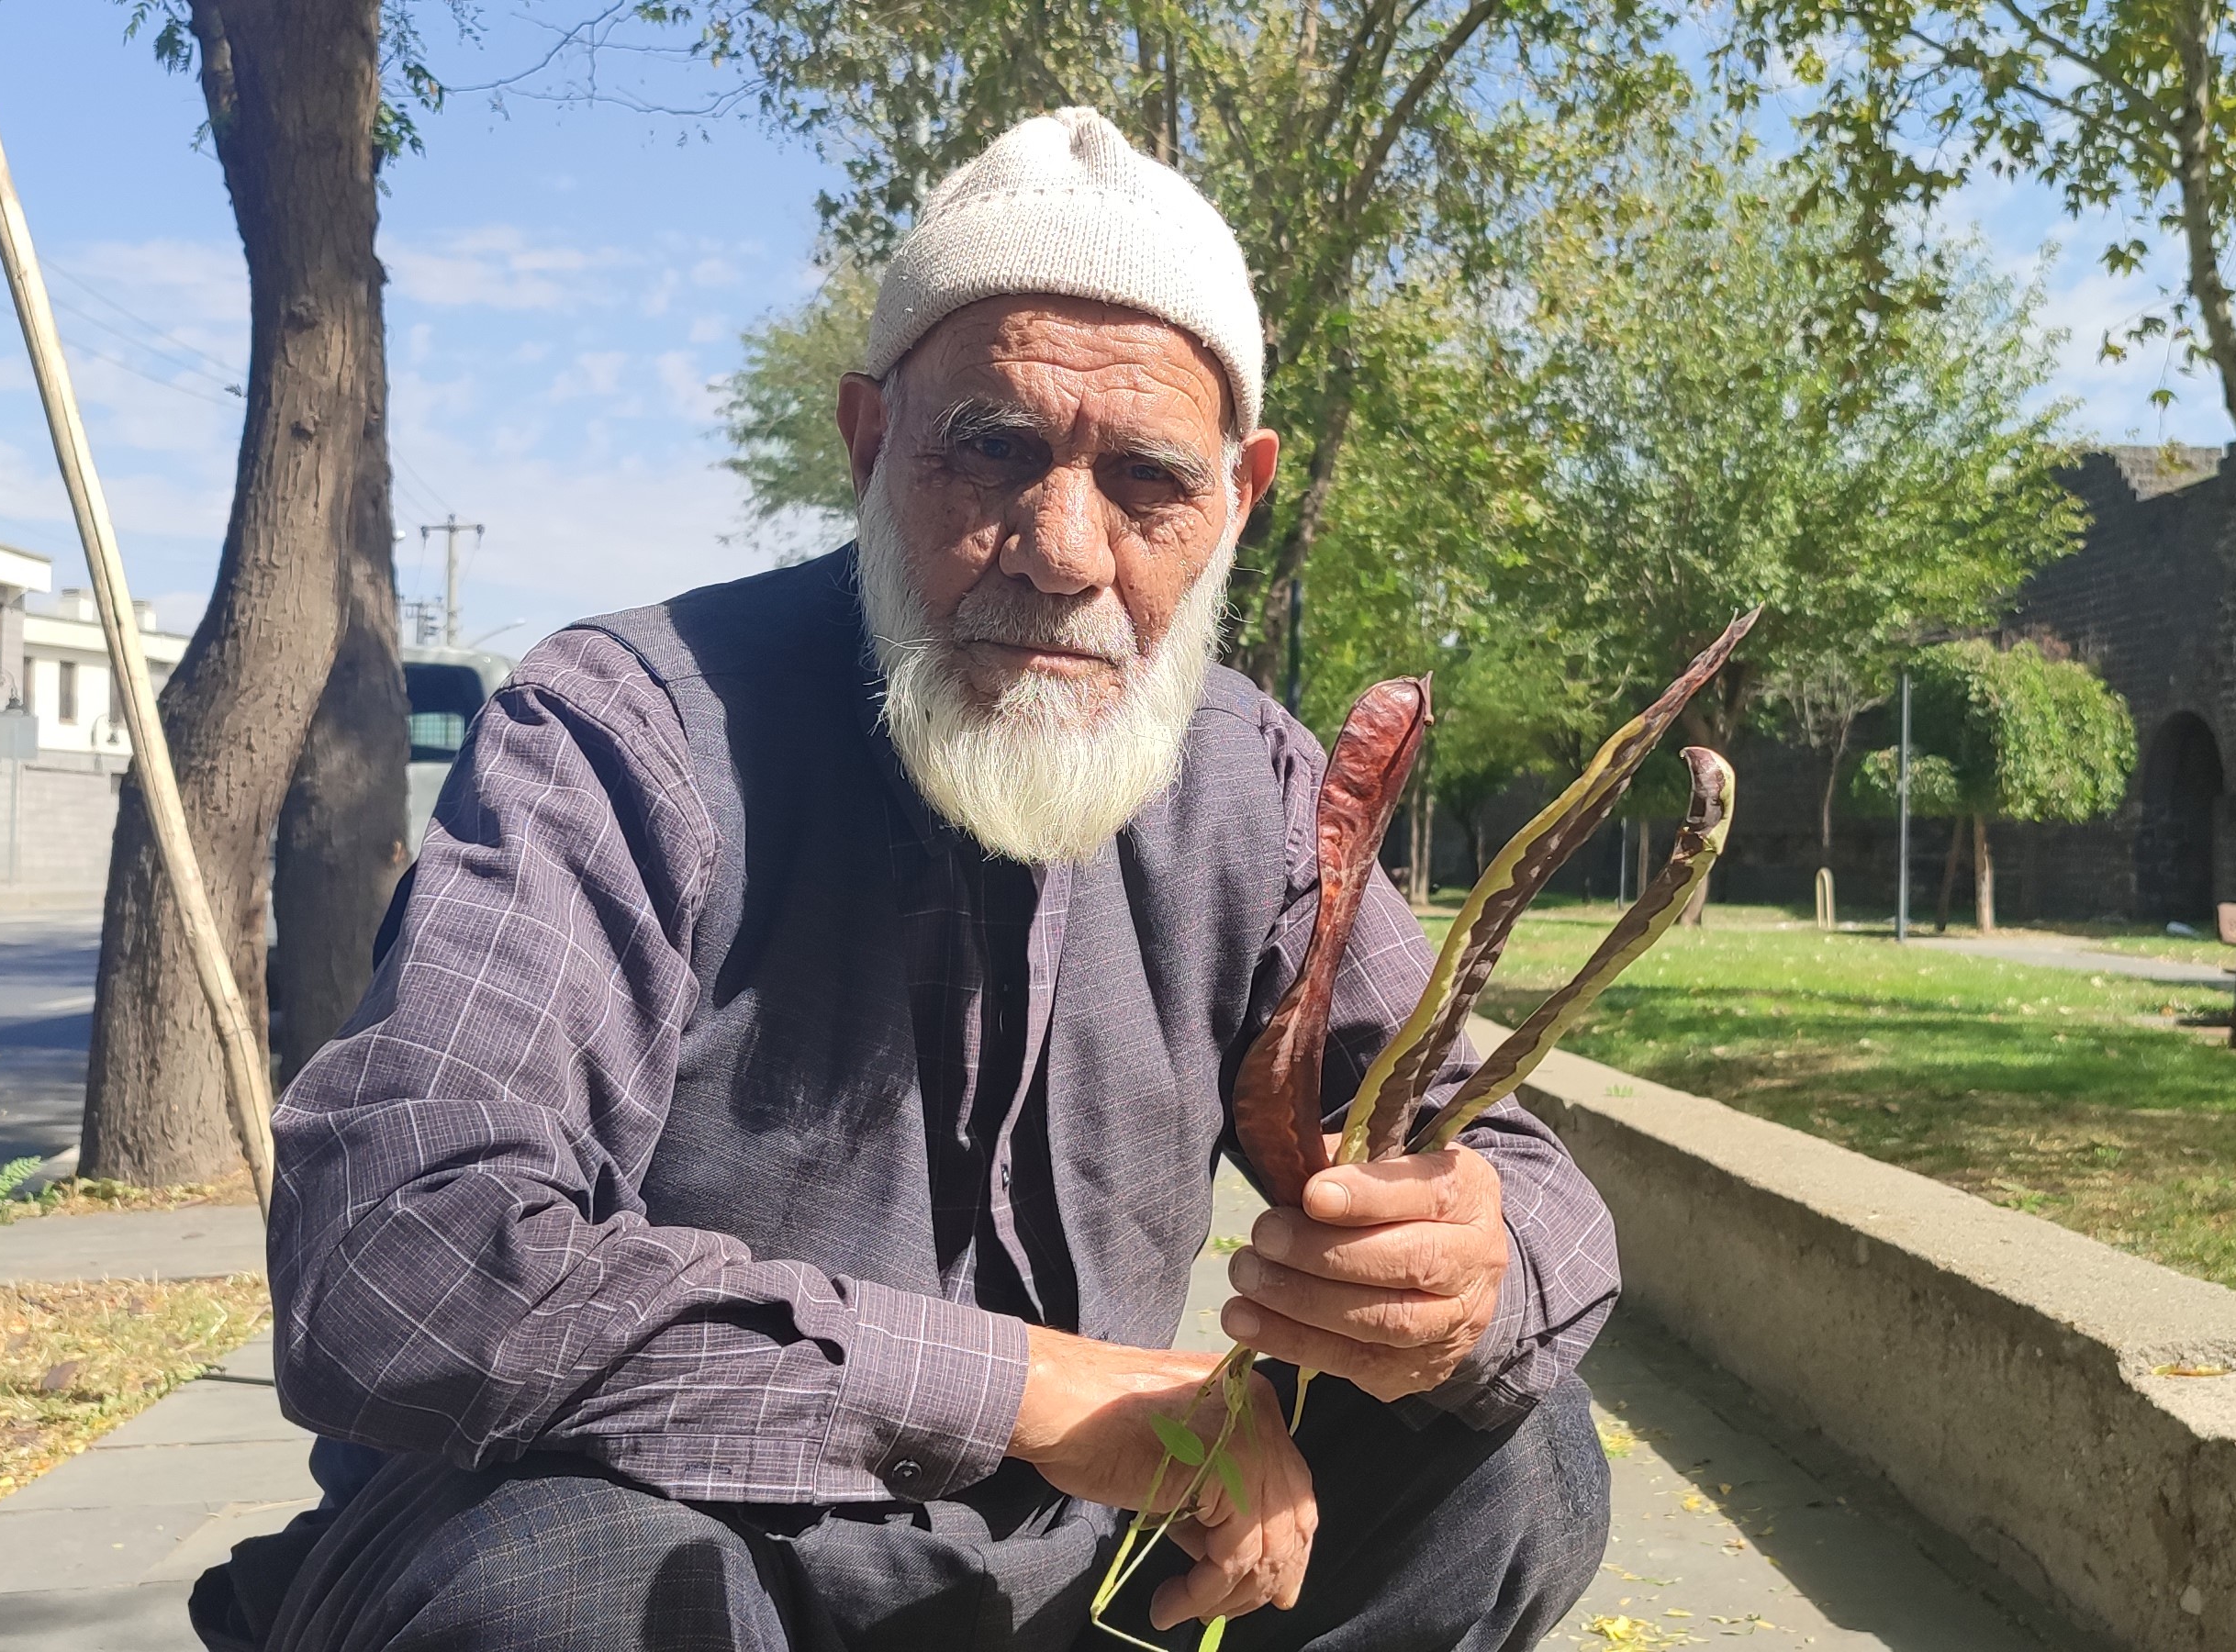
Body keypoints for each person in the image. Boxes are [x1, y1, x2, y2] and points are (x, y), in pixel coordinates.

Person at [192, 106, 1618, 1652]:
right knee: (564, 1594)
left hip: (1083, 1569)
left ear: (1239, 497)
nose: (1063, 549)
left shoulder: (1252, 786)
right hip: (684, 1539)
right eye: (993, 448)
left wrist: (1460, 1275)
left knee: (1516, 1460)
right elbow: (398, 1259)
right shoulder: (627, 733)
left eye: (1147, 479)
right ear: (871, 441)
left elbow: (1530, 1190)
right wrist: (1019, 1385)